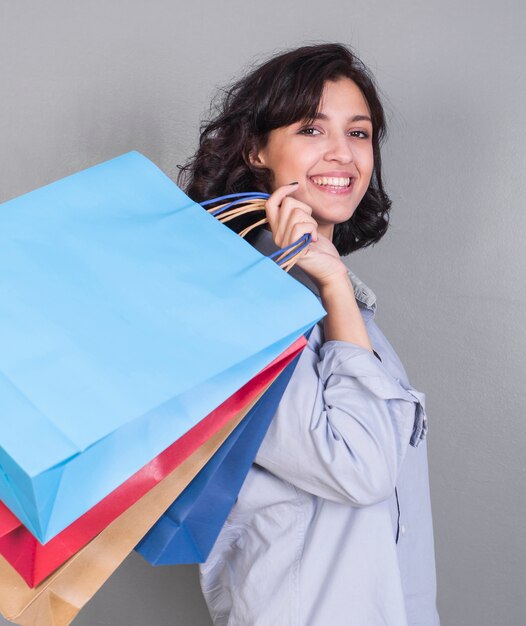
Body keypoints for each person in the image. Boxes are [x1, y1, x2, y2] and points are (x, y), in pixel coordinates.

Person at [180, 43, 439, 626]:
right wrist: (337, 289)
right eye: (311, 129)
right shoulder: (246, 309)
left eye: (360, 133)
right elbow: (360, 469)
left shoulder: (338, 304)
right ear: (256, 149)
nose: (342, 154)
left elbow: (394, 525)